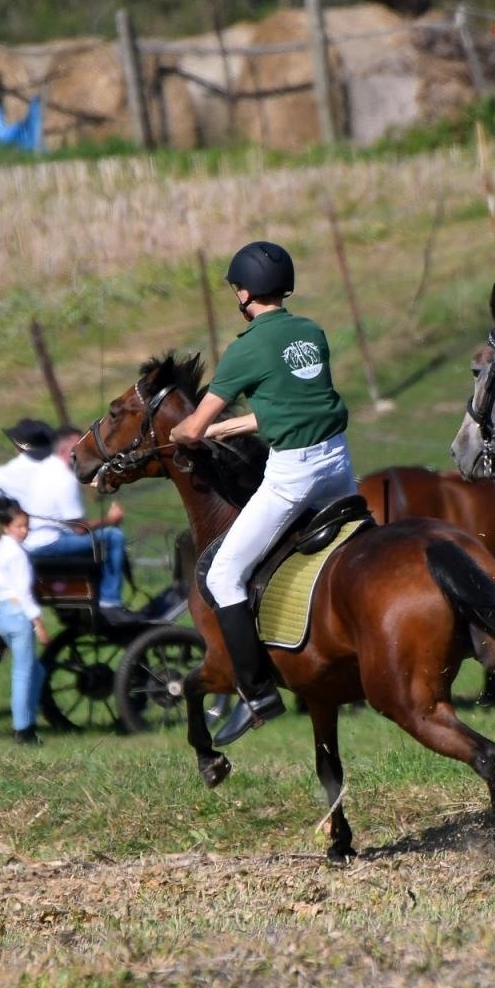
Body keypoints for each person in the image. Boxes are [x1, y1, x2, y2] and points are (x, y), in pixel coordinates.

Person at [169, 241, 355, 745]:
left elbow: (193, 427)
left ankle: (256, 691)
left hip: (293, 473)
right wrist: (232, 430)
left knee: (226, 574)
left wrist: (184, 434)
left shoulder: (246, 347)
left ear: (245, 291)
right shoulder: (311, 333)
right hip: (338, 463)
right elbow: (296, 406)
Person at [0, 419, 135, 623]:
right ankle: (110, 602)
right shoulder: (62, 478)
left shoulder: (35, 471)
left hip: (33, 539)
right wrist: (110, 520)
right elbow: (80, 529)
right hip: (47, 543)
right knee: (113, 537)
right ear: (66, 452)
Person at [0, 506, 50, 744]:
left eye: (26, 526)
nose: (24, 531)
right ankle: (23, 729)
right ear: (7, 527)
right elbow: (23, 592)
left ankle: (29, 715)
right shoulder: (17, 553)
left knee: (36, 671)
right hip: (18, 613)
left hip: (3, 615)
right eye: (19, 526)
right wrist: (38, 623)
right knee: (23, 673)